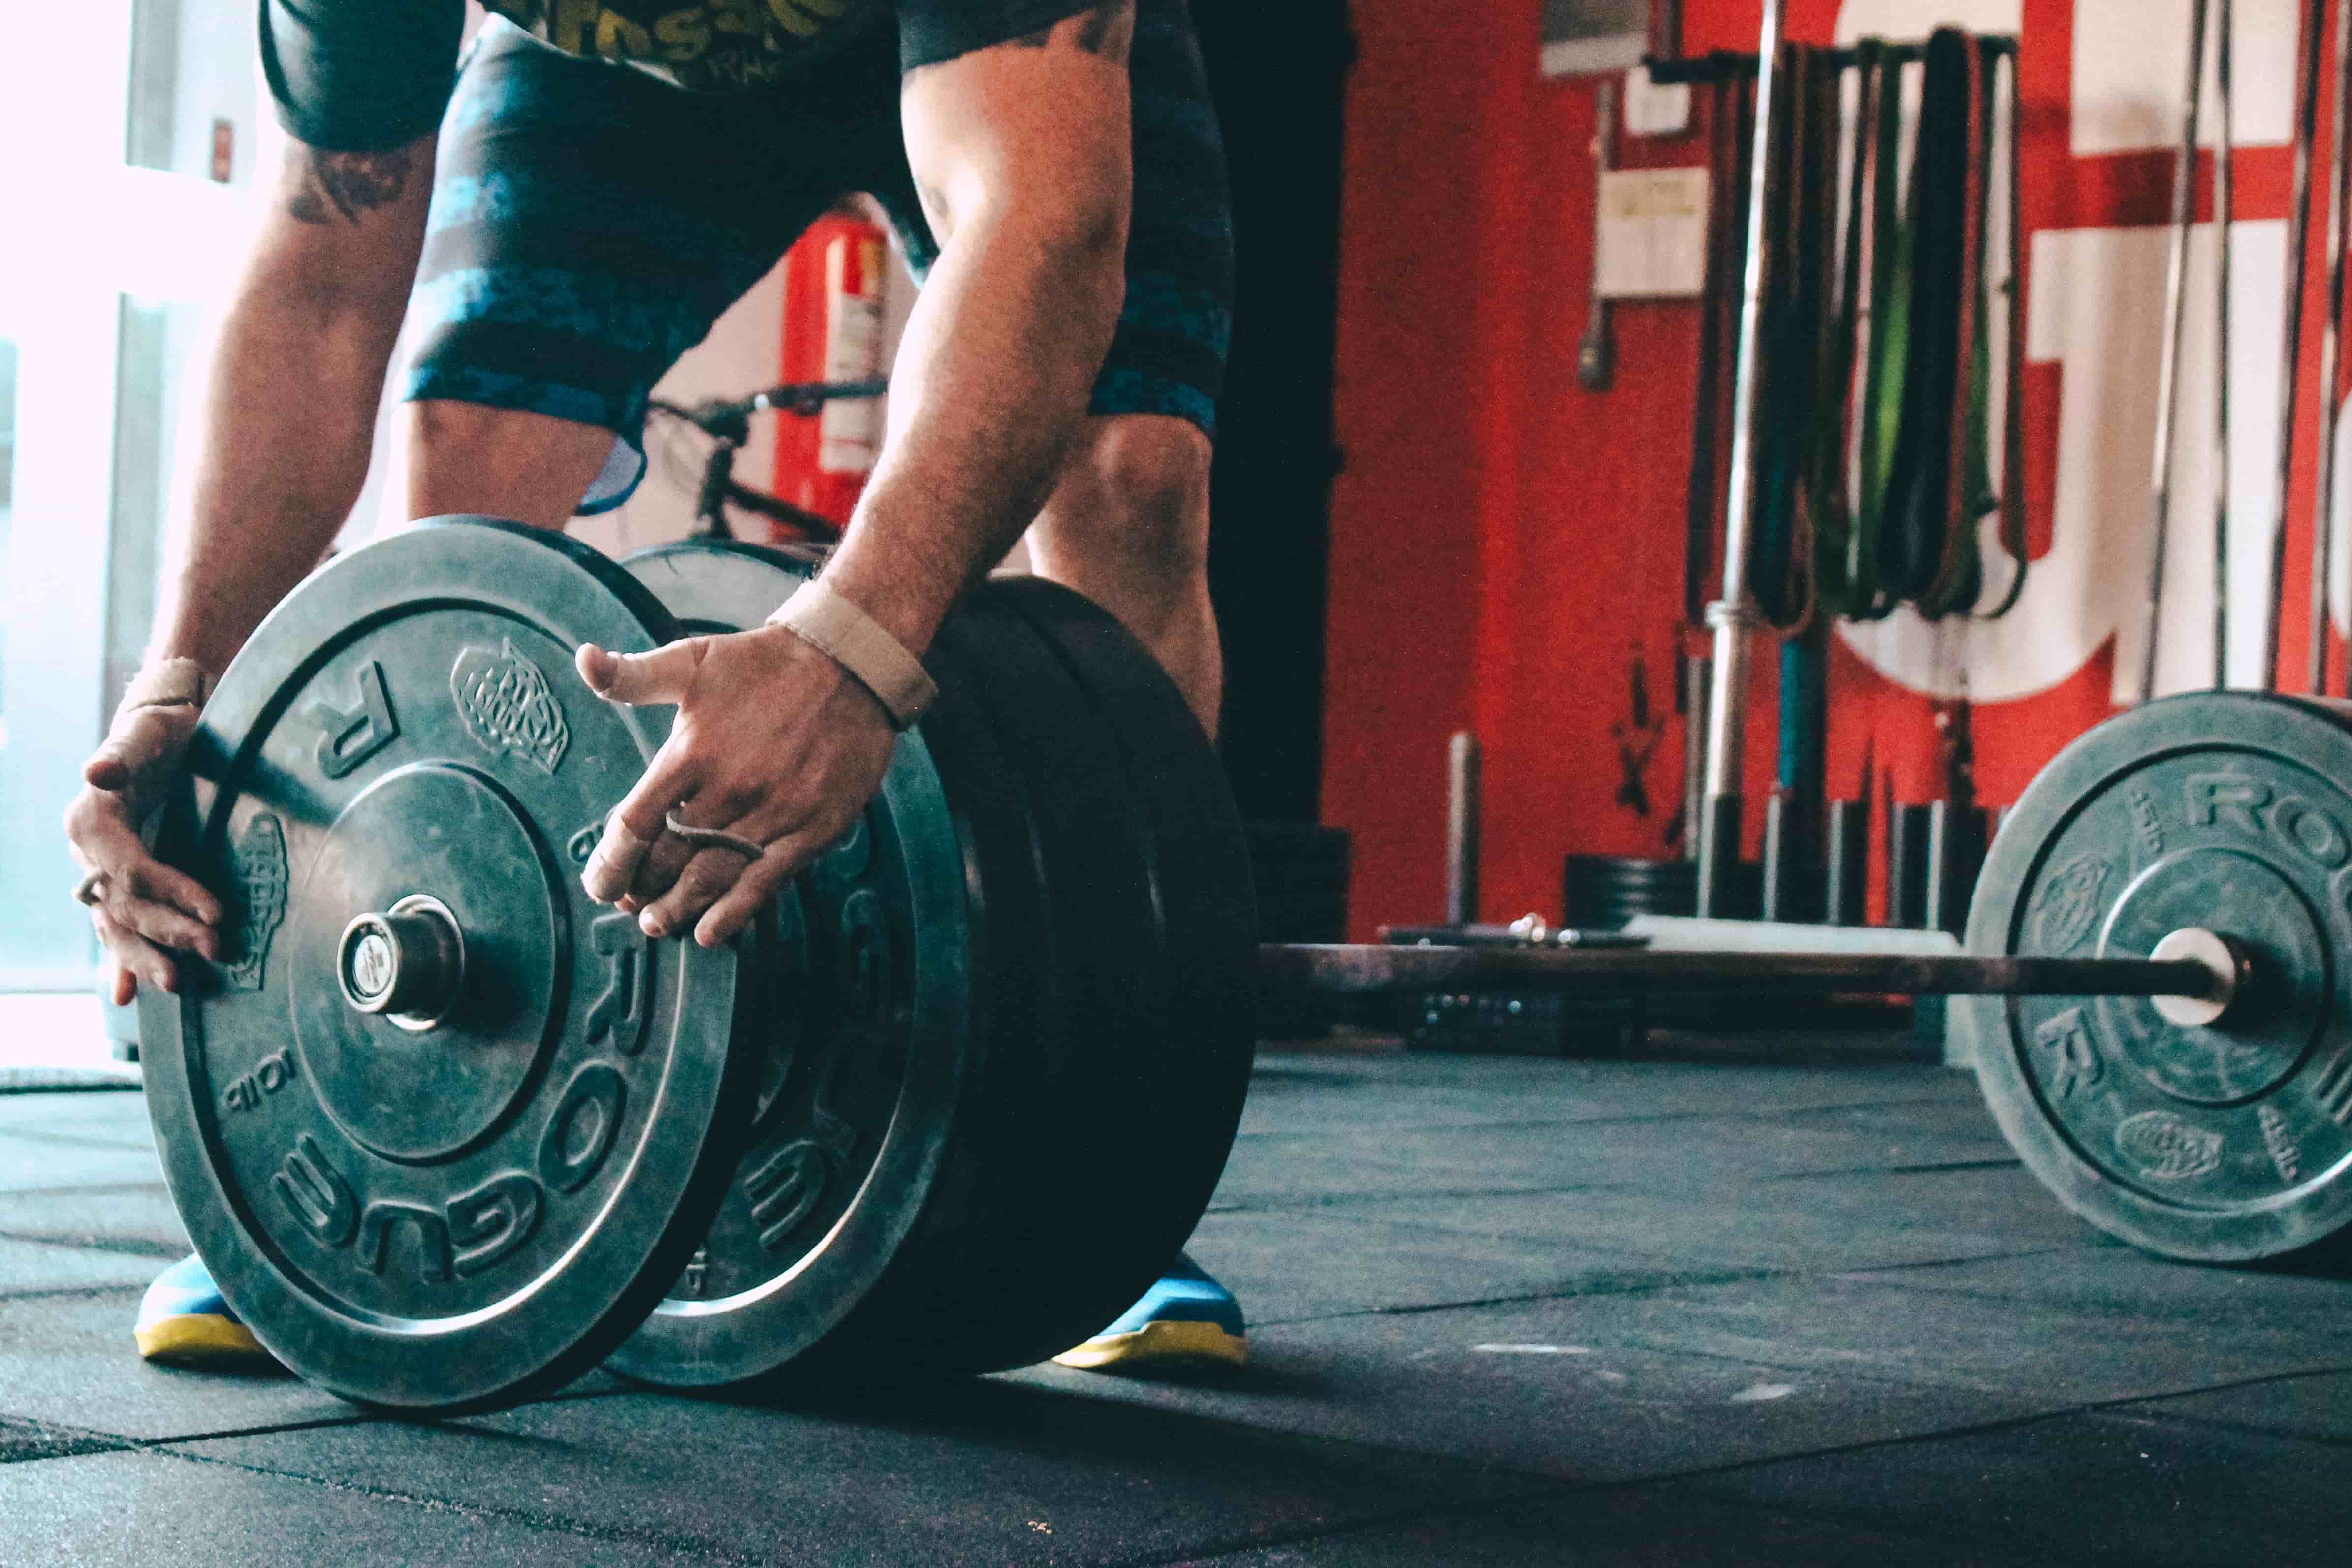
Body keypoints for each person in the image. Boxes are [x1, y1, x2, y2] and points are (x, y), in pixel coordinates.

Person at [73, 0, 1245, 1376]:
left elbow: (1040, 229)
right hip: (619, 85)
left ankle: (1102, 1190)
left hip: (1007, 65)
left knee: (1128, 479)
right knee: (468, 453)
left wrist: (853, 654)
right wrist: (182, 693)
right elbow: (324, 278)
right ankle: (377, 1152)